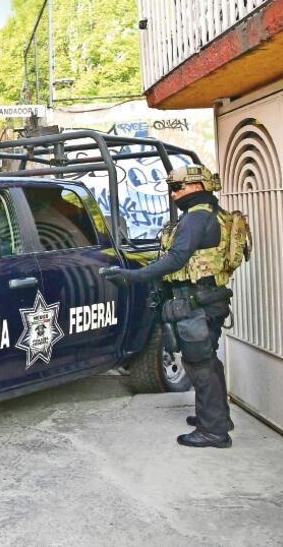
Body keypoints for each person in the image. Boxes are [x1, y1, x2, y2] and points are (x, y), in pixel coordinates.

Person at [104, 165, 243, 449]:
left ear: (198, 187)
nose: (174, 194)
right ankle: (217, 418)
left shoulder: (196, 218)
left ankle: (213, 432)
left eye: (178, 187)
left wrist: (132, 276)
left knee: (198, 363)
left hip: (195, 301)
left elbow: (177, 258)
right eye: (172, 188)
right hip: (210, 298)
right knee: (208, 360)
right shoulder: (214, 213)